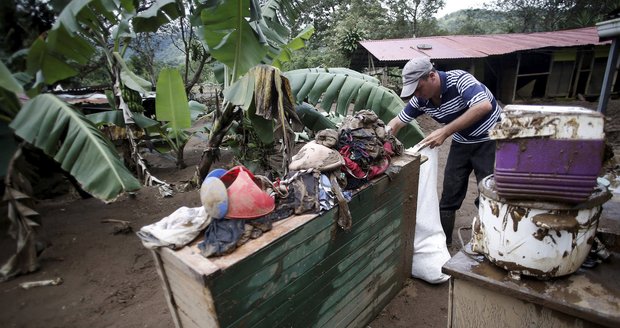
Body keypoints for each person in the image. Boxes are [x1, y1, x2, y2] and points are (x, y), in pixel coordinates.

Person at [388, 57, 502, 246]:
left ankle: (488, 242)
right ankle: (442, 243)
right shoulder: (421, 99)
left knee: (487, 192)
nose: (417, 94)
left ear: (432, 76)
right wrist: (383, 136)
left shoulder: (460, 80)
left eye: (418, 88)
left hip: (489, 139)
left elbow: (483, 106)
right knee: (450, 192)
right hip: (462, 141)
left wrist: (445, 131)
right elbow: (398, 121)